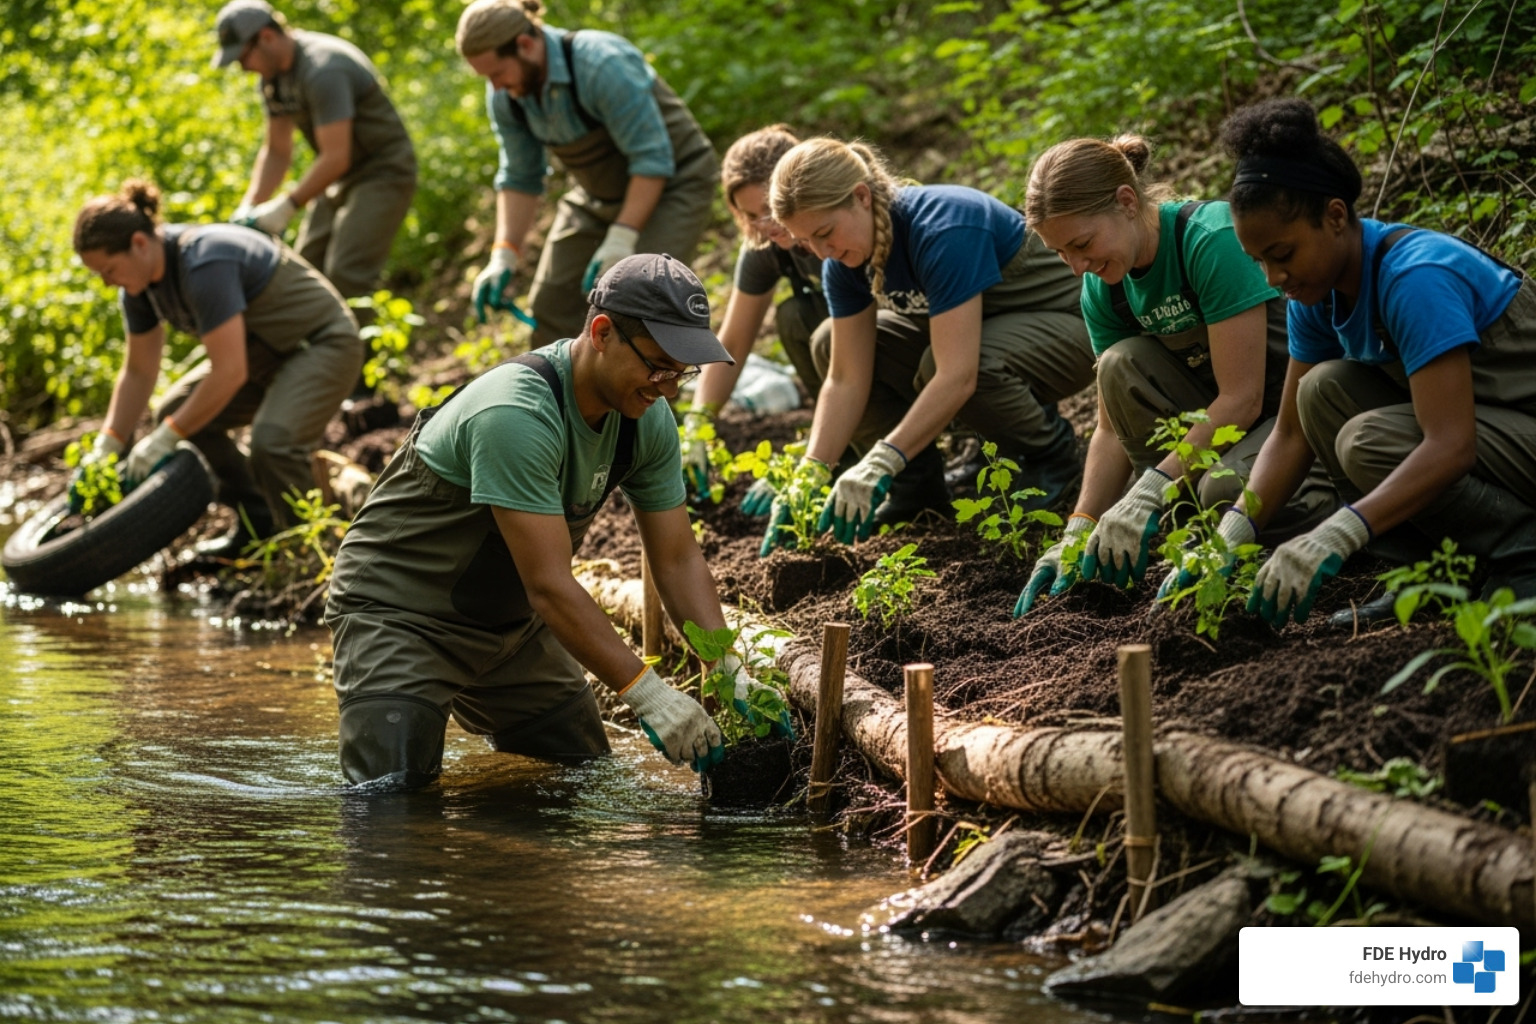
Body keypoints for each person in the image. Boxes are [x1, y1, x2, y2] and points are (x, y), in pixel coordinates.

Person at [324, 254, 790, 788]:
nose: (668, 388)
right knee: (392, 804)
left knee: (581, 780)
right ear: (602, 332)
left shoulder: (647, 418)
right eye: (659, 366)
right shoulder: (515, 415)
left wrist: (725, 665)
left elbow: (678, 558)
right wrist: (649, 693)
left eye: (683, 373)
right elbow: (548, 584)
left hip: (512, 629)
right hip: (402, 618)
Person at [1192, 97, 1536, 626]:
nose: (1271, 278)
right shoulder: (1318, 292)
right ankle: (1423, 574)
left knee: (1367, 438)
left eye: (1281, 255)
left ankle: (1523, 557)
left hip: (1517, 430)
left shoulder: (1414, 277)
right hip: (1497, 432)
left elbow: (1450, 445)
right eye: (1258, 261)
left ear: (1334, 216)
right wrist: (1232, 534)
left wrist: (1338, 532)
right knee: (1320, 392)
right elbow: (1289, 434)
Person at [1013, 135, 1337, 616]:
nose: (1077, 265)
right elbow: (1108, 428)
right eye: (1060, 253)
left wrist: (1146, 491)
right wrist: (1080, 526)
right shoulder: (1104, 284)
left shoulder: (1209, 241)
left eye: (1081, 243)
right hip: (1224, 429)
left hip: (1292, 413)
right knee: (1119, 365)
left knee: (1226, 490)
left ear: (1126, 201)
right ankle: (1191, 525)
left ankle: (1326, 504)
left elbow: (1242, 399)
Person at [759, 137, 1093, 554]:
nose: (821, 251)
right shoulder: (845, 261)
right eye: (806, 241)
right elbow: (845, 378)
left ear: (861, 197)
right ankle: (915, 489)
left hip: (1072, 329)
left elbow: (957, 375)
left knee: (948, 366)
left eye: (825, 232)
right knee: (830, 343)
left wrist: (882, 457)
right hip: (987, 334)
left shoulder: (942, 227)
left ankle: (1050, 456)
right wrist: (811, 471)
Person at [72, 179, 363, 555]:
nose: (107, 283)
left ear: (139, 245)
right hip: (263, 357)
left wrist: (164, 438)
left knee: (272, 444)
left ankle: (307, 550)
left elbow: (229, 372)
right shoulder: (139, 288)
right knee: (176, 412)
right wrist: (107, 446)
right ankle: (258, 526)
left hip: (322, 346)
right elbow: (139, 372)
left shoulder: (204, 261)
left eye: (108, 270)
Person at [456, 0, 718, 347]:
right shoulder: (507, 95)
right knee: (552, 305)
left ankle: (655, 398)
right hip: (598, 195)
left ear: (525, 44)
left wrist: (622, 238)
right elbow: (521, 176)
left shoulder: (601, 64)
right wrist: (504, 253)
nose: (496, 87)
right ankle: (564, 401)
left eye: (497, 74)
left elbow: (652, 160)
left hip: (674, 182)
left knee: (642, 304)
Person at [214, 0, 417, 314]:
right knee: (306, 272)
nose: (243, 67)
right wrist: (250, 208)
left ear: (266, 37)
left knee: (347, 275)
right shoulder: (273, 80)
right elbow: (277, 151)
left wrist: (286, 206)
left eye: (243, 57)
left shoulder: (323, 68)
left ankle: (360, 360)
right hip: (339, 176)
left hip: (383, 171)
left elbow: (337, 156)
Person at [680, 124, 823, 502]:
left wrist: (816, 456)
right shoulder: (766, 243)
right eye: (752, 215)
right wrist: (699, 422)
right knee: (795, 315)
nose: (767, 224)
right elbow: (734, 339)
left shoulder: (838, 228)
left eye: (772, 208)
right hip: (848, 351)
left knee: (808, 325)